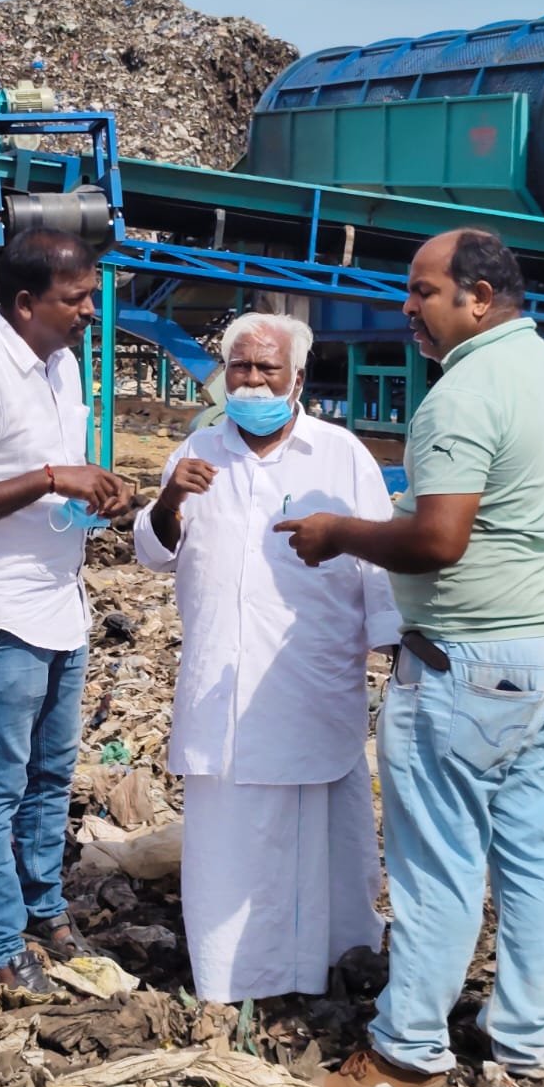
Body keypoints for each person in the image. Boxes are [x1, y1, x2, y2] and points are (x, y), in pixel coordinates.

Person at [276, 229, 544, 1087]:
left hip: (470, 659)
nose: (407, 307)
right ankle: (530, 1036)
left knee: (438, 862)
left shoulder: (462, 394)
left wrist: (339, 532)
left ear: (478, 297)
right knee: (529, 847)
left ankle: (407, 1049)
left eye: (422, 290)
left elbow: (440, 541)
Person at [133, 312, 400, 1003]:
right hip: (222, 686)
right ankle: (235, 980)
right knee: (230, 842)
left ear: (297, 378)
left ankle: (328, 968)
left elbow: (378, 567)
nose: (252, 381)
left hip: (310, 679)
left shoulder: (341, 455)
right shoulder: (199, 449)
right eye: (241, 369)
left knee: (322, 840)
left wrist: (394, 648)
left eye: (266, 369)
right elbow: (154, 552)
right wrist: (169, 499)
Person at [0, 228, 134, 993]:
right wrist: (52, 477)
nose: (88, 311)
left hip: (62, 602)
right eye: (74, 299)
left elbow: (60, 474)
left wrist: (95, 489)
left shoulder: (62, 365)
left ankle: (46, 910)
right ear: (23, 302)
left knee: (51, 776)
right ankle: (1, 944)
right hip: (0, 613)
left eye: (90, 296)